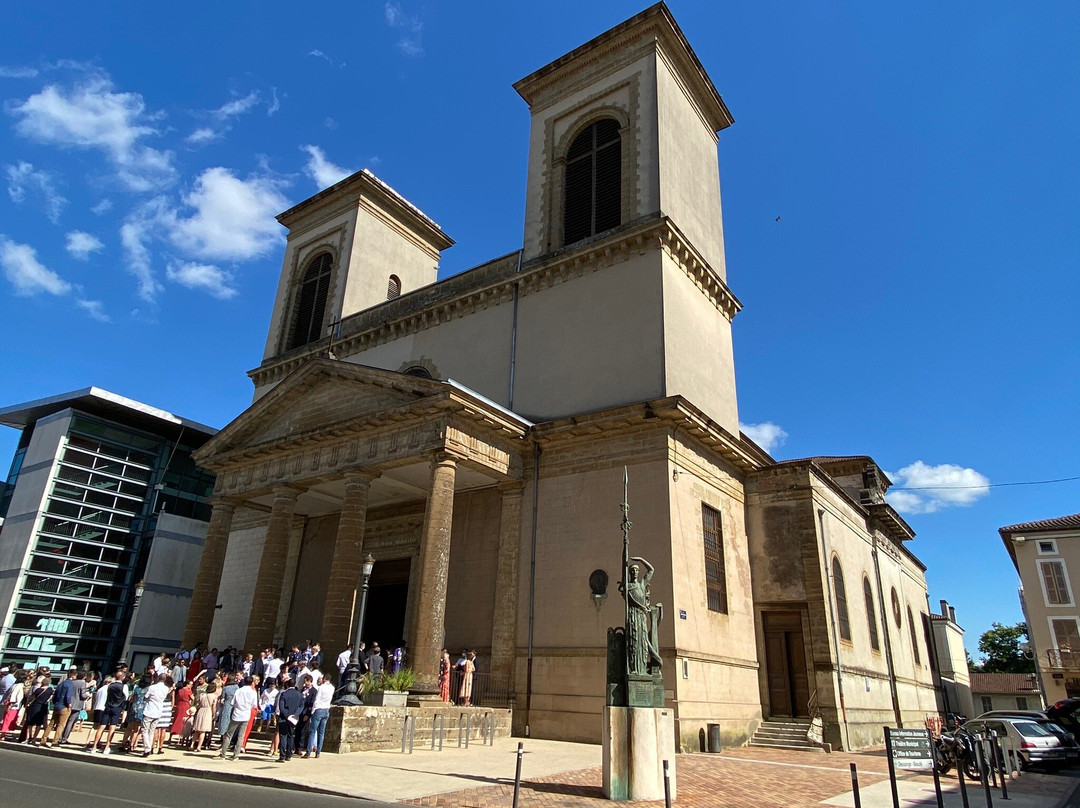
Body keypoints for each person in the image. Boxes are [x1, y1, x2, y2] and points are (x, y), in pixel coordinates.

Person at [89, 670, 128, 754]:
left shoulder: (110, 685)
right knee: (112, 727)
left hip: (108, 706)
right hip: (117, 707)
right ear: (123, 677)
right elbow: (126, 697)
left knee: (101, 727)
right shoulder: (124, 686)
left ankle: (94, 747)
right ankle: (107, 747)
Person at [219, 675, 258, 760]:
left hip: (237, 713)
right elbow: (254, 705)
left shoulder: (239, 690)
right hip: (246, 715)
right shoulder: (253, 692)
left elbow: (233, 702)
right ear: (251, 683)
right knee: (241, 736)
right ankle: (236, 754)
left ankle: (223, 753)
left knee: (229, 734)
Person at [306, 673, 335, 758]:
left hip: (319, 709)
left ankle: (308, 752)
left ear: (324, 678)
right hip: (326, 709)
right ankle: (318, 752)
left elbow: (317, 700)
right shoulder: (332, 687)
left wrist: (312, 711)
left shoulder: (321, 687)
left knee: (312, 731)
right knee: (321, 732)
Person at [141, 674, 170, 757]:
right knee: (152, 730)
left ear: (158, 678)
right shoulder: (166, 689)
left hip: (150, 710)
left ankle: (147, 748)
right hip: (158, 711)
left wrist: (147, 699)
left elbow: (146, 697)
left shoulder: (152, 687)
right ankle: (149, 748)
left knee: (145, 730)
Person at [275, 675, 302, 762]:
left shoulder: (284, 694)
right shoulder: (299, 694)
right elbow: (301, 706)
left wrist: (286, 715)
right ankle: (288, 755)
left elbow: (281, 707)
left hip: (284, 718)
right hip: (293, 718)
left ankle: (282, 755)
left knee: (283, 736)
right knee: (291, 736)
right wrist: (295, 714)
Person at [21, 675, 54, 745]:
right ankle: (34, 739)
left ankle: (28, 738)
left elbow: (30, 698)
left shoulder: (38, 690)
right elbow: (52, 697)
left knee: (30, 723)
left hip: (35, 707)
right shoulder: (50, 690)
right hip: (43, 707)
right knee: (39, 724)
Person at [191, 680, 218, 752]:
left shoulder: (202, 695)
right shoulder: (214, 696)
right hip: (208, 711)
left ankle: (192, 745)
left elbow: (198, 703)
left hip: (201, 710)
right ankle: (199, 746)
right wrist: (213, 714)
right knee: (203, 731)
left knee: (197, 729)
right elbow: (214, 707)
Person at [170, 679, 193, 746]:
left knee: (176, 720)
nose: (191, 686)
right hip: (186, 706)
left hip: (179, 705)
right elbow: (193, 698)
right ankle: (181, 738)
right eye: (190, 684)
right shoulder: (188, 691)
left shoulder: (180, 690)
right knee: (184, 722)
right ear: (187, 684)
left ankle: (170, 737)